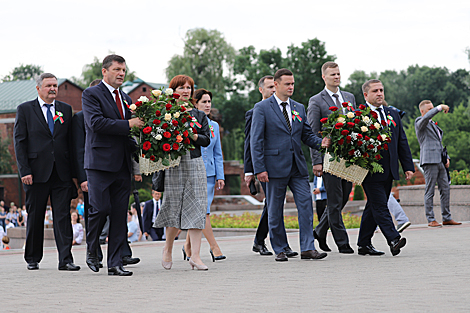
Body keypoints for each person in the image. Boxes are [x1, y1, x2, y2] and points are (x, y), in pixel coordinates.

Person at [250, 68, 331, 262]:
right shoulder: (262, 108)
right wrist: (259, 168)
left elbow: (306, 134)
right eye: (287, 84)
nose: (291, 87)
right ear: (276, 85)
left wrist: (320, 142)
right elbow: (256, 140)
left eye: (293, 83)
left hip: (297, 167)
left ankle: (307, 248)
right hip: (273, 167)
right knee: (275, 209)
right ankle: (279, 248)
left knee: (305, 205)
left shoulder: (298, 108)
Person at [82, 54, 144, 276]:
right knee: (100, 208)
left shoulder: (126, 98)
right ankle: (92, 248)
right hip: (99, 163)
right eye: (117, 69)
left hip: (122, 164)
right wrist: (129, 123)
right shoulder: (91, 94)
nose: (121, 74)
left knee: (119, 214)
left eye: (124, 70)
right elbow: (96, 123)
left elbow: (130, 131)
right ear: (104, 71)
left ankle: (115, 263)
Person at [13, 73, 79, 271]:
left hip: (61, 173)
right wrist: (25, 170)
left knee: (63, 217)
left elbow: (72, 143)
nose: (53, 89)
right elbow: (19, 143)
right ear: (38, 88)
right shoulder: (25, 110)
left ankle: (66, 260)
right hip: (35, 173)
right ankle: (32, 258)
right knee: (35, 216)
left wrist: (75, 175)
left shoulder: (66, 110)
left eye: (55, 85)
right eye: (49, 85)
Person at [153, 75, 211, 271]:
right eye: (181, 87)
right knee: (173, 207)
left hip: (195, 163)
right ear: (173, 90)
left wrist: (193, 135)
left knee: (197, 208)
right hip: (174, 165)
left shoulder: (199, 115)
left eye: (189, 88)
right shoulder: (165, 112)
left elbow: (206, 139)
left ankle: (195, 255)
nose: (186, 91)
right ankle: (167, 248)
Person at [357, 79, 414, 257]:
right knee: (380, 205)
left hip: (389, 168)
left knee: (373, 206)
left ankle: (363, 244)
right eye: (375, 91)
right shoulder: (358, 116)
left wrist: (407, 166)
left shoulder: (392, 113)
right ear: (366, 95)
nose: (380, 93)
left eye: (381, 90)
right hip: (370, 170)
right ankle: (393, 239)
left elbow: (401, 141)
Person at [244, 75, 297, 257]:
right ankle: (278, 245)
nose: (272, 91)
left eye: (274, 87)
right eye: (268, 88)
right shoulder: (255, 111)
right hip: (265, 167)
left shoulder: (286, 109)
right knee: (274, 205)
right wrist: (250, 170)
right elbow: (250, 143)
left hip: (282, 164)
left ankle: (260, 241)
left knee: (273, 205)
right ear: (261, 90)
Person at [307, 61, 357, 254]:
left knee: (343, 197)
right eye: (332, 74)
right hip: (329, 158)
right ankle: (343, 243)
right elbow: (313, 133)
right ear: (324, 77)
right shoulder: (316, 100)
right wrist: (317, 161)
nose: (336, 77)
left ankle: (319, 231)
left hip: (348, 158)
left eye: (338, 74)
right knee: (334, 200)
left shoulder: (349, 97)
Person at [184, 88, 226, 262]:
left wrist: (220, 176)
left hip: (210, 175)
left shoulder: (214, 125)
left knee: (201, 211)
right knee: (203, 212)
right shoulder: (189, 122)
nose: (208, 105)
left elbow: (218, 153)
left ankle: (187, 247)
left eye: (209, 102)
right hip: (193, 172)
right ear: (195, 103)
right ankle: (214, 247)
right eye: (204, 102)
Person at [415, 100, 461, 227]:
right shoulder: (420, 122)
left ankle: (446, 217)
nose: (432, 110)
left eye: (433, 108)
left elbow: (438, 143)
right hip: (429, 161)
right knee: (430, 190)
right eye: (429, 109)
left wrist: (447, 157)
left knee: (445, 189)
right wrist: (440, 107)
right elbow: (427, 117)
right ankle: (431, 219)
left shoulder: (433, 125)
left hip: (440, 160)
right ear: (422, 112)